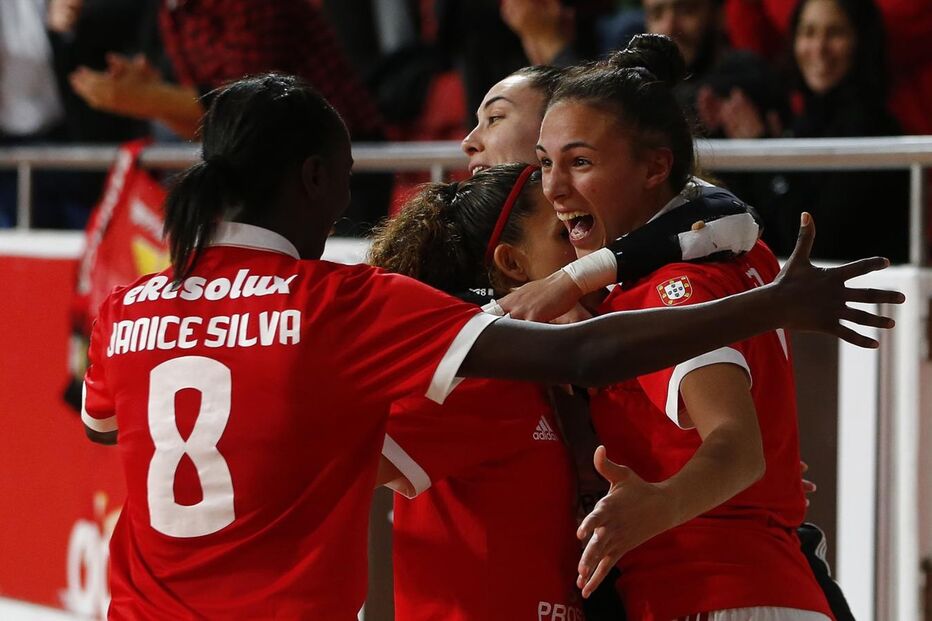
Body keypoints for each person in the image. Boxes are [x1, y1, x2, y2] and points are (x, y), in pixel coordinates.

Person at [81, 73, 900, 619]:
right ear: (314, 178)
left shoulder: (125, 308)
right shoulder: (352, 310)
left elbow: (103, 425)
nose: (476, 143)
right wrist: (773, 305)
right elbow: (590, 359)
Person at [516, 34, 863, 619]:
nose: (553, 187)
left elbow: (739, 449)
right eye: (545, 162)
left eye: (581, 162)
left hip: (716, 592)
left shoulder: (670, 290)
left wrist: (659, 505)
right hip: (763, 587)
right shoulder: (727, 250)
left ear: (656, 167)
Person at [727, 0, 909, 263]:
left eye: (835, 33)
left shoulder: (874, 129)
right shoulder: (798, 123)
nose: (819, 48)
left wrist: (764, 159)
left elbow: (815, 244)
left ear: (862, 42)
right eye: (808, 32)